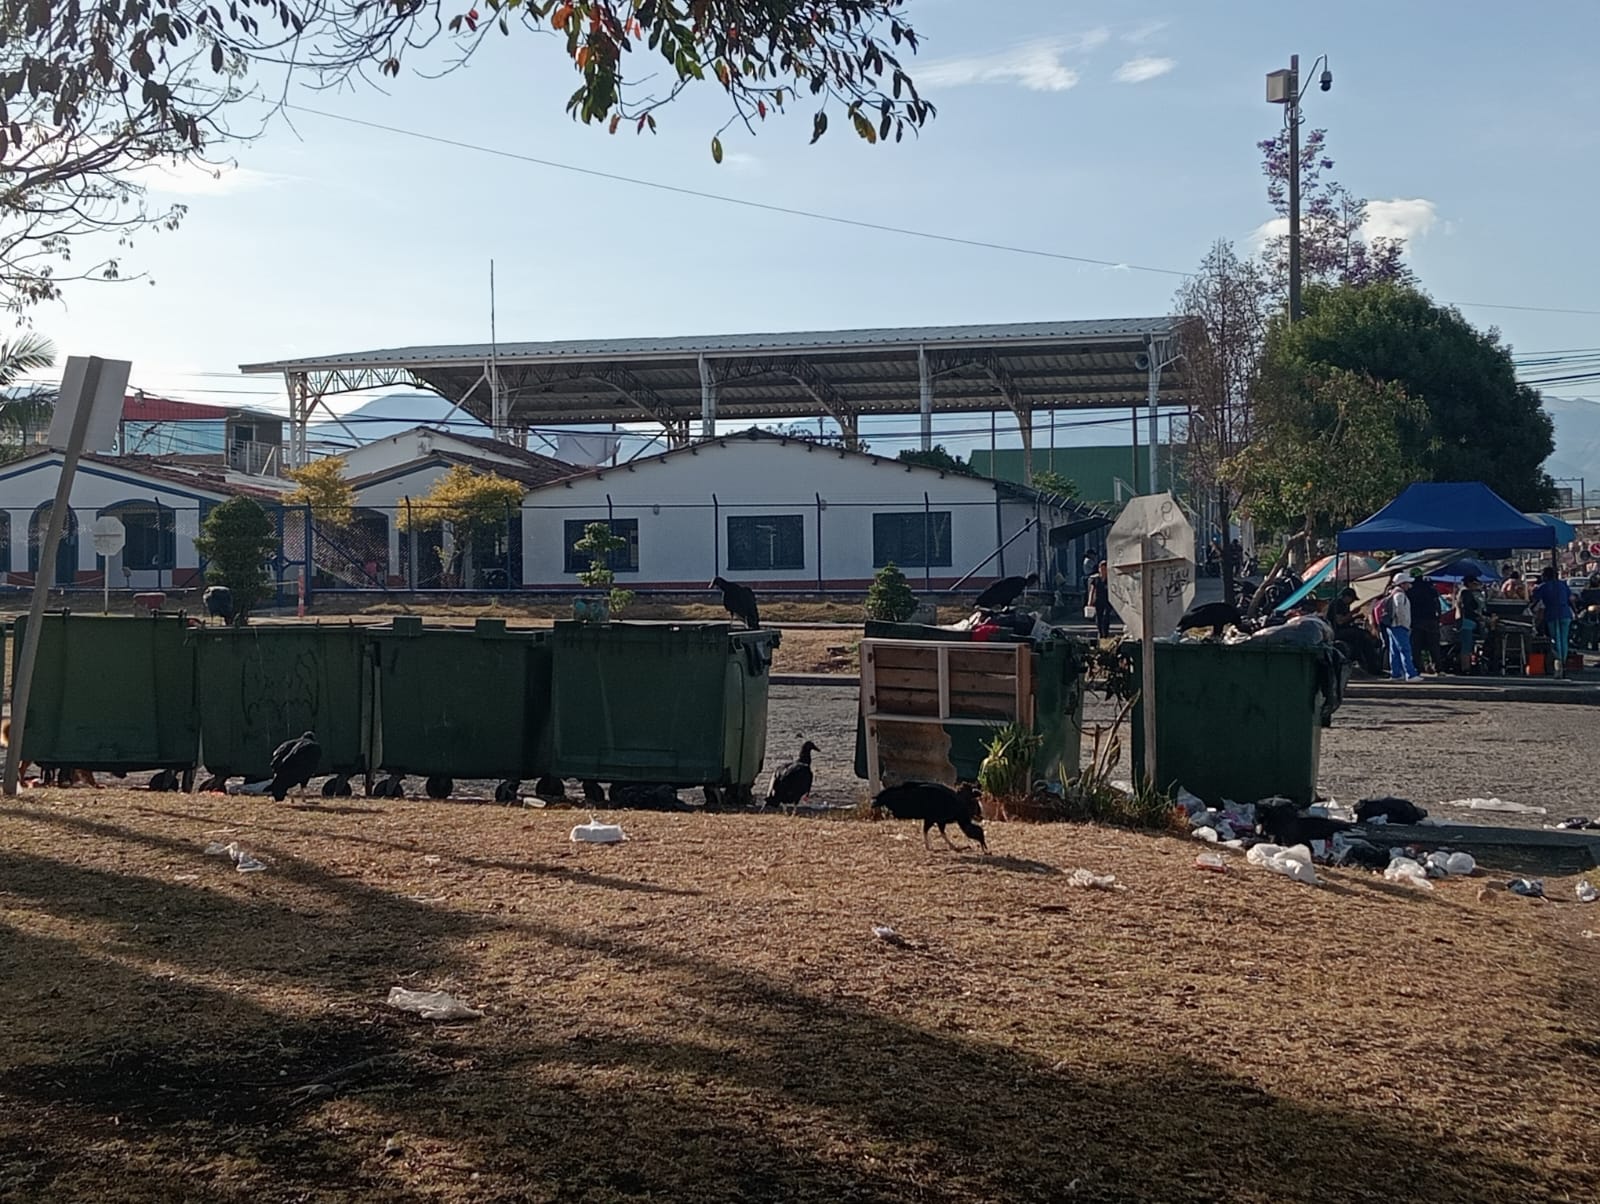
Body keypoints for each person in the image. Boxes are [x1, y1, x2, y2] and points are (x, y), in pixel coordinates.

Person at [1531, 565, 1575, 678]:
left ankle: (1558, 662)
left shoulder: (1543, 587)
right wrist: (1576, 611)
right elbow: (1571, 599)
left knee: (1555, 639)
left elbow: (1534, 599)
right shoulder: (1563, 585)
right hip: (1565, 614)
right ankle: (1563, 662)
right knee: (1564, 639)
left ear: (1546, 576)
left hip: (1552, 614)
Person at [1379, 573, 1422, 682]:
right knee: (1405, 650)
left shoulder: (1392, 593)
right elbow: (1400, 611)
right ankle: (1410, 674)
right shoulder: (1400, 595)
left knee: (1394, 651)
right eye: (1407, 583)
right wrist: (1405, 624)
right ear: (1402, 584)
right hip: (1399, 625)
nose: (1409, 585)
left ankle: (1396, 673)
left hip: (1392, 626)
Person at [1409, 573, 1445, 674]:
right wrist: (1438, 618)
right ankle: (1439, 668)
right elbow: (1437, 604)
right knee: (1434, 646)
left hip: (1416, 621)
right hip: (1431, 620)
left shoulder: (1411, 590)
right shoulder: (1431, 589)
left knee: (1416, 647)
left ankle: (1417, 668)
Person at [1456, 572, 1485, 674]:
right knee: (1466, 646)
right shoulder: (1466, 593)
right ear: (1470, 583)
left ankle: (1467, 666)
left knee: (1467, 646)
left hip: (1465, 621)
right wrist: (1478, 616)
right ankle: (1465, 668)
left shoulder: (1462, 593)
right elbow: (1467, 608)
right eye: (1475, 584)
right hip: (1467, 622)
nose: (1476, 586)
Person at [1088, 559, 1113, 640]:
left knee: (1106, 616)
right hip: (1098, 600)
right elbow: (1092, 590)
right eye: (1101, 569)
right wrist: (1090, 601)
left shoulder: (1110, 580)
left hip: (1108, 601)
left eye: (1104, 569)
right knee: (1099, 617)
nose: (1103, 571)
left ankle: (1105, 633)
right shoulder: (1095, 579)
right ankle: (1100, 632)